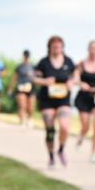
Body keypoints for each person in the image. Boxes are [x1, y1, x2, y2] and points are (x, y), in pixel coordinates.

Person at [33, 36, 76, 168]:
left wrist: (71, 82)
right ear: (49, 48)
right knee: (50, 130)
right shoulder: (44, 62)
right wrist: (45, 81)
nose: (57, 48)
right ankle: (51, 156)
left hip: (63, 99)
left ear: (62, 47)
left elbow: (75, 76)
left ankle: (61, 150)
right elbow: (34, 78)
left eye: (59, 46)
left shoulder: (68, 61)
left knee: (65, 127)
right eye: (54, 46)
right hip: (47, 100)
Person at [73, 40, 95, 164]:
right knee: (85, 125)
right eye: (92, 48)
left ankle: (93, 154)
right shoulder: (81, 64)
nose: (94, 51)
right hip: (84, 97)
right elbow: (75, 79)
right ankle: (81, 137)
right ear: (88, 49)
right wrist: (81, 83)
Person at [11, 50, 35, 127]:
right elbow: (14, 78)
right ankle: (22, 121)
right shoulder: (19, 67)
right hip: (21, 88)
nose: (26, 57)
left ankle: (30, 119)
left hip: (31, 88)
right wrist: (11, 88)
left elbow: (38, 76)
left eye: (27, 56)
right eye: (25, 56)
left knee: (30, 106)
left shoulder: (33, 67)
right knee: (22, 105)